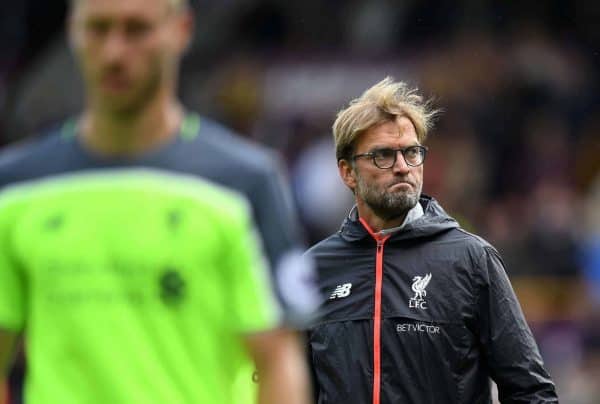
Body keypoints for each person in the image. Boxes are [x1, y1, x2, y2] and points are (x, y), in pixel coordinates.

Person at [0, 0, 315, 403]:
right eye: (98, 29)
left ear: (181, 30)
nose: (114, 52)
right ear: (72, 32)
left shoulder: (244, 183)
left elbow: (277, 360)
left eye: (136, 30)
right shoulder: (17, 186)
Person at [305, 77, 559, 403]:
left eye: (411, 152)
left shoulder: (471, 259)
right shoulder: (313, 269)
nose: (402, 167)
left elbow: (531, 391)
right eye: (383, 155)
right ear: (347, 172)